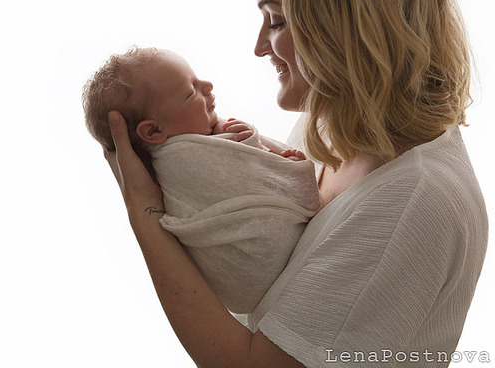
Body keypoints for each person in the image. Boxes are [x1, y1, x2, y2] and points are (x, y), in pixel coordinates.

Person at [103, 0, 488, 367]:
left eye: (278, 20)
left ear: (346, 27)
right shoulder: (328, 128)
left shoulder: (413, 201)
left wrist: (146, 217)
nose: (260, 46)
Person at [83, 47, 321, 313]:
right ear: (153, 131)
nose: (207, 86)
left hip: (242, 293)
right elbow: (253, 178)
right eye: (190, 91)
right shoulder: (182, 161)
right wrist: (254, 143)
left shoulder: (185, 149)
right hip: (260, 263)